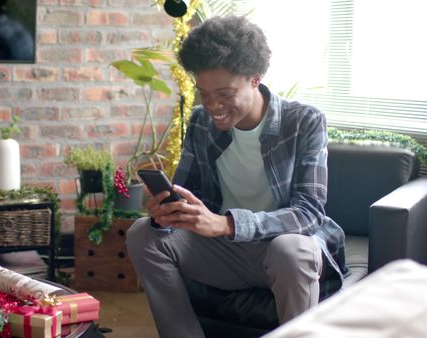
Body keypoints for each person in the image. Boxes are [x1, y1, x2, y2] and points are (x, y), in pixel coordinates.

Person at [125, 16, 346, 338]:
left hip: (281, 252)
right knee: (143, 234)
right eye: (204, 93)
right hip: (225, 252)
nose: (213, 105)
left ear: (255, 79)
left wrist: (227, 224)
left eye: (225, 94)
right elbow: (187, 192)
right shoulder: (201, 122)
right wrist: (166, 213)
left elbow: (309, 212)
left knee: (290, 251)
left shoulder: (303, 122)